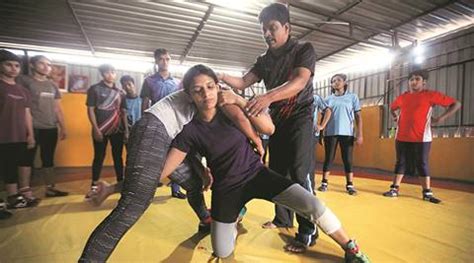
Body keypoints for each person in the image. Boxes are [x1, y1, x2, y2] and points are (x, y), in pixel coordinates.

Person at [161, 64, 370, 262]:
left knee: (313, 205)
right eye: (197, 90)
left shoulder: (233, 109)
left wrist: (240, 100)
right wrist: (142, 184)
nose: (206, 94)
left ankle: (351, 247)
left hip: (257, 175)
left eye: (209, 87)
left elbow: (268, 128)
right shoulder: (189, 131)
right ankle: (235, 214)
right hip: (226, 189)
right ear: (189, 95)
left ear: (218, 87)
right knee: (221, 250)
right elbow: (168, 166)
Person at [79, 85, 264, 262]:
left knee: (192, 183)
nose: (205, 93)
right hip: (154, 129)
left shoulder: (202, 117)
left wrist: (201, 171)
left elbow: (187, 146)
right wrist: (256, 138)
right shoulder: (219, 97)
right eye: (201, 89)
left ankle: (205, 218)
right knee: (134, 204)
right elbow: (254, 123)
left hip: (171, 138)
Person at [218, 3, 317, 252]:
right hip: (277, 122)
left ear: (287, 27)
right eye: (264, 30)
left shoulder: (303, 50)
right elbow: (242, 82)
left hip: (300, 118)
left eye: (272, 28)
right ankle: (283, 218)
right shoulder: (264, 60)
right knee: (277, 171)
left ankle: (308, 230)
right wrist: (217, 76)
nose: (267, 34)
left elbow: (299, 81)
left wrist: (267, 97)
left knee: (299, 171)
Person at [382, 69, 461, 203]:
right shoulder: (403, 97)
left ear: (424, 82)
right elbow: (392, 108)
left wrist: (440, 119)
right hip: (401, 136)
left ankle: (427, 193)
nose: (414, 82)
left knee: (422, 163)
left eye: (417, 79)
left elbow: (456, 104)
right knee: (400, 162)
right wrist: (395, 116)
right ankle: (394, 189)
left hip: (422, 137)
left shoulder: (431, 95)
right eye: (411, 79)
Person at [17, 55, 68, 200]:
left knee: (48, 159)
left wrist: (63, 127)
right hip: (31, 127)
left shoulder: (52, 85)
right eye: (42, 64)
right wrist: (28, 131)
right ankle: (24, 191)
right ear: (32, 65)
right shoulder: (24, 80)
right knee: (26, 159)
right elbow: (20, 105)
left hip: (50, 127)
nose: (47, 67)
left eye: (49, 65)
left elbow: (57, 107)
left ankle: (50, 189)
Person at [140, 48, 186, 199]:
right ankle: (149, 188)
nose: (165, 62)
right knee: (154, 157)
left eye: (167, 59)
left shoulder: (178, 82)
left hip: (175, 124)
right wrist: (145, 124)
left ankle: (176, 189)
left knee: (175, 155)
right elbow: (145, 103)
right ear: (156, 61)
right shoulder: (149, 81)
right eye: (161, 59)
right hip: (156, 124)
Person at [0, 50, 36, 217]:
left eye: (16, 65)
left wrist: (30, 135)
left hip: (18, 136)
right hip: (2, 135)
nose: (13, 68)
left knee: (11, 168)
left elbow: (27, 113)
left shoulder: (23, 91)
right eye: (8, 64)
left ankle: (13, 198)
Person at [85, 64, 129, 199]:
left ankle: (120, 184)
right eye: (107, 72)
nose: (111, 75)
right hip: (101, 130)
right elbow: (90, 109)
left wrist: (126, 130)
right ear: (102, 74)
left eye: (113, 72)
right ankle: (93, 186)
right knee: (99, 157)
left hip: (117, 130)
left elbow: (123, 112)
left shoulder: (120, 92)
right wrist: (95, 128)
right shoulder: (94, 89)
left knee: (118, 158)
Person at [318, 73, 363, 195]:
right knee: (329, 158)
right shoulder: (328, 99)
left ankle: (350, 184)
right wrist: (321, 133)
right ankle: (324, 182)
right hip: (330, 133)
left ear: (344, 83)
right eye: (333, 81)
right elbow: (323, 117)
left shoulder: (352, 97)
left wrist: (360, 134)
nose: (336, 82)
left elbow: (358, 116)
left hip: (347, 133)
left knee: (347, 159)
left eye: (338, 80)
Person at [311, 94, 332, 194]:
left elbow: (327, 110)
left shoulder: (315, 97)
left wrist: (322, 126)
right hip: (292, 133)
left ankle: (309, 189)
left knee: (309, 162)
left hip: (310, 134)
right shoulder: (288, 93)